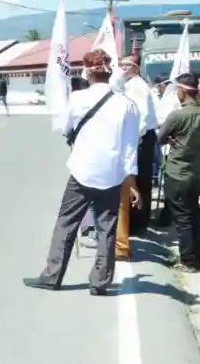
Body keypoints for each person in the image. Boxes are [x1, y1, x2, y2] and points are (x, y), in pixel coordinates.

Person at [24, 50, 140, 296]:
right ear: (109, 73)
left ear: (87, 72)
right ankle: (100, 282)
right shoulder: (128, 105)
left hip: (82, 171)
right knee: (106, 228)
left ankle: (52, 276)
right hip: (112, 175)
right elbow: (131, 149)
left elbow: (64, 127)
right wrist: (132, 183)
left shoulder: (77, 99)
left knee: (66, 223)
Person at [157, 72, 200, 273]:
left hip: (178, 171)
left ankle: (189, 261)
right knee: (193, 213)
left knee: (182, 218)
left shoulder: (177, 115)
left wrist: (172, 139)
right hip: (197, 171)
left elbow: (160, 138)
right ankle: (198, 255)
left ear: (182, 91)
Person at [116, 56, 158, 237]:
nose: (124, 68)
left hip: (141, 137)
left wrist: (135, 139)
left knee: (139, 180)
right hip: (139, 136)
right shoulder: (129, 84)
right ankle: (135, 220)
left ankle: (139, 223)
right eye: (122, 65)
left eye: (128, 65)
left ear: (136, 67)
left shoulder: (138, 86)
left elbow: (141, 114)